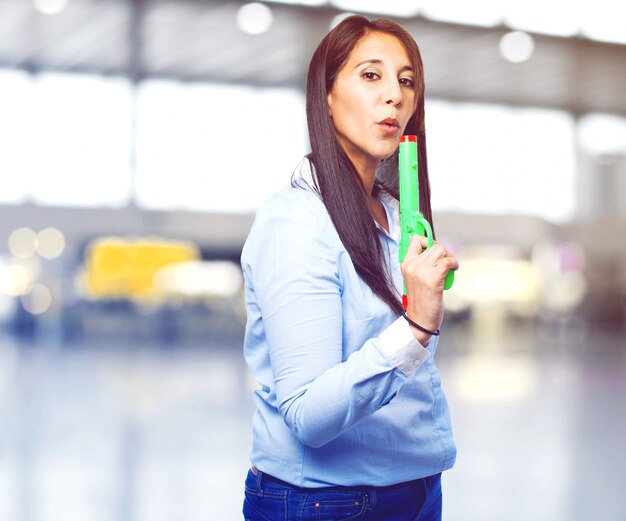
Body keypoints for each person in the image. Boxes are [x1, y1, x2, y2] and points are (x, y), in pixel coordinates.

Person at [240, 14, 459, 521]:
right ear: (327, 96)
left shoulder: (395, 213)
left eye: (407, 81)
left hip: (416, 488)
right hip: (328, 502)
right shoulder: (296, 221)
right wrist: (417, 325)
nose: (395, 97)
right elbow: (309, 415)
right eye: (370, 75)